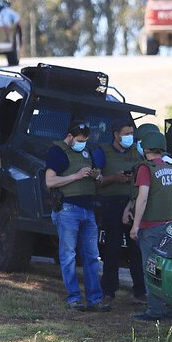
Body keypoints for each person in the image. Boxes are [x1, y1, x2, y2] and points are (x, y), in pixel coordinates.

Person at [44, 120, 111, 312]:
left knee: (91, 256)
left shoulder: (86, 151)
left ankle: (94, 299)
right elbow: (49, 181)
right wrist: (76, 176)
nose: (83, 143)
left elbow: (95, 178)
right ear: (70, 136)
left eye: (86, 140)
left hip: (88, 209)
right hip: (67, 209)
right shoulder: (57, 151)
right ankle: (73, 298)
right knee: (68, 256)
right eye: (80, 140)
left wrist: (96, 176)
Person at [128, 131, 172, 322]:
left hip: (150, 227)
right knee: (166, 268)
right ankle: (171, 309)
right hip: (168, 226)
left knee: (150, 269)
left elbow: (142, 198)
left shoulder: (145, 168)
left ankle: (154, 311)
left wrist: (135, 225)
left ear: (147, 148)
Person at [93, 120, 146, 303]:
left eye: (131, 133)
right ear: (116, 134)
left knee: (136, 249)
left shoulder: (136, 152)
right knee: (112, 248)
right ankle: (108, 290)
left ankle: (140, 291)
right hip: (111, 205)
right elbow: (97, 179)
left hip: (132, 204)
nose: (129, 137)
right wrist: (114, 178)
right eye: (126, 133)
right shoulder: (103, 152)